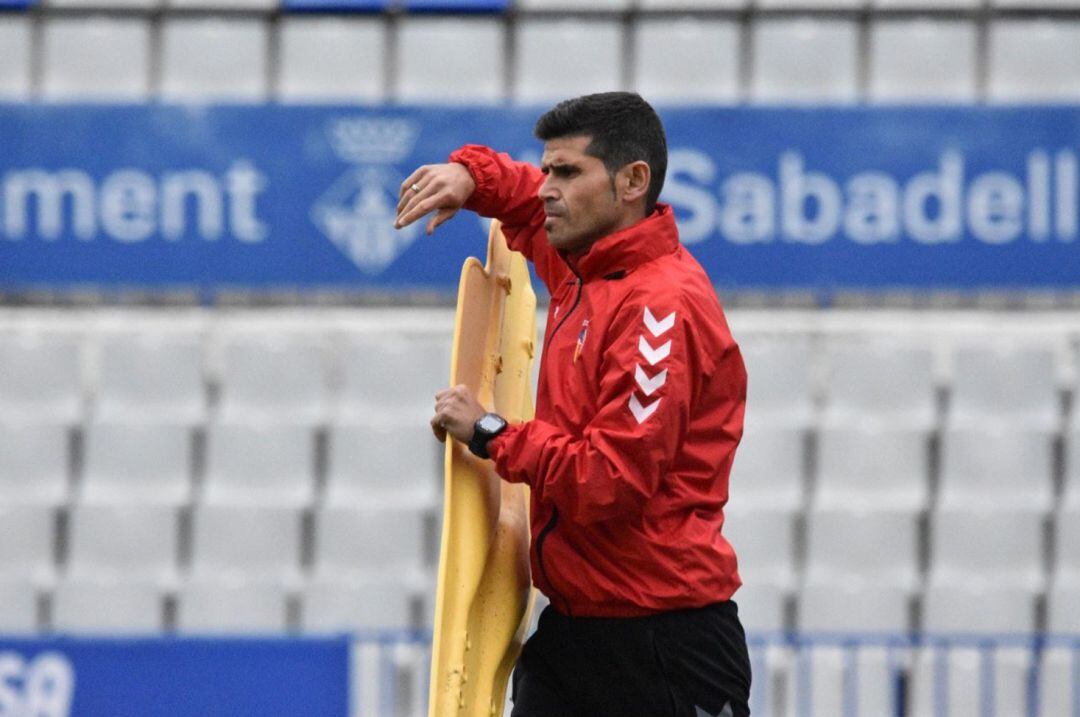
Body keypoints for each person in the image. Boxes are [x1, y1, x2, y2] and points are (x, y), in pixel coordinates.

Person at [395, 92, 751, 717]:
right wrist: (471, 175)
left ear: (632, 181)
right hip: (575, 630)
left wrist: (489, 431)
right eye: (547, 169)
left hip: (664, 642)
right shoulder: (585, 268)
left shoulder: (659, 308)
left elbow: (609, 479)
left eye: (566, 172)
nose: (545, 189)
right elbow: (523, 206)